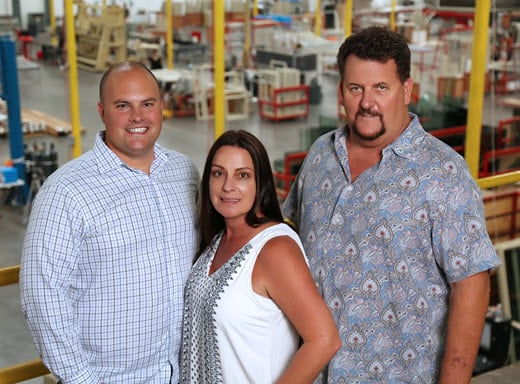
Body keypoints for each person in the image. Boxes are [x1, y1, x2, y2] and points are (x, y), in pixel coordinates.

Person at [282, 26, 501, 383]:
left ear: (407, 91)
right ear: (341, 93)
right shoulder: (321, 154)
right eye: (356, 88)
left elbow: (472, 285)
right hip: (312, 372)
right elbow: (288, 239)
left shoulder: (442, 172)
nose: (367, 102)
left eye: (380, 88)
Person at [19, 61, 199, 384]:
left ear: (161, 107)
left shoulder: (184, 173)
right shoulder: (66, 192)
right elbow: (42, 294)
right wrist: (81, 379)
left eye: (147, 104)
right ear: (102, 111)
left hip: (180, 373)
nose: (137, 117)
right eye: (123, 106)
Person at [179, 130, 341, 383]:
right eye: (218, 173)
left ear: (261, 182)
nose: (228, 186)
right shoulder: (217, 239)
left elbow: (324, 340)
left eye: (242, 175)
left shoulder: (275, 248)